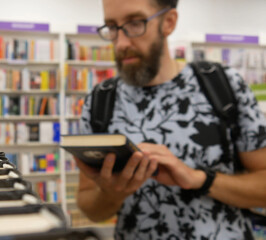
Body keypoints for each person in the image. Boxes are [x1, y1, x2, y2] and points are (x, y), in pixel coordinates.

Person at [75, 0, 266, 239]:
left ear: (169, 22)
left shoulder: (223, 86)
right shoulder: (100, 101)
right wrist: (111, 194)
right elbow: (88, 206)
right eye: (112, 27)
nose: (121, 43)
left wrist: (198, 179)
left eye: (135, 24)